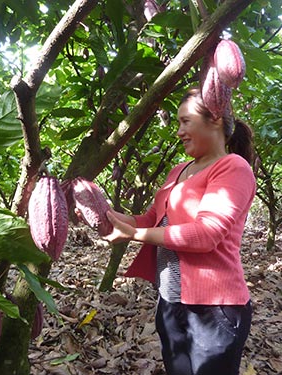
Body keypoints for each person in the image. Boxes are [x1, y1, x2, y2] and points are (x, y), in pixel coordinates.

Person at [103, 86, 256, 375]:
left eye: (185, 121)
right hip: (171, 302)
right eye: (178, 123)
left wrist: (133, 235)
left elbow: (205, 234)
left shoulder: (232, 167)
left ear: (215, 120)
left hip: (214, 309)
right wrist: (108, 216)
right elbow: (152, 218)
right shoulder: (179, 170)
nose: (179, 131)